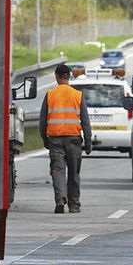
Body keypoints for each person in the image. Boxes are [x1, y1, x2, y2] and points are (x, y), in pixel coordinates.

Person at [39, 63, 92, 214]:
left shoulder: (50, 95)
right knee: (74, 173)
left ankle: (60, 200)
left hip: (55, 139)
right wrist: (88, 142)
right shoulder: (77, 95)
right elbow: (85, 121)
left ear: (56, 77)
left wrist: (45, 139)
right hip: (74, 139)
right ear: (68, 77)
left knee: (58, 170)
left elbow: (42, 121)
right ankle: (74, 205)